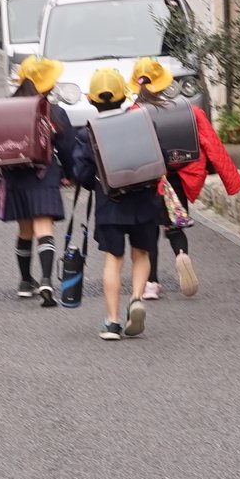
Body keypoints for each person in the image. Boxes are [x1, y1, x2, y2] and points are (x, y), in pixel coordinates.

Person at [127, 56, 240, 301]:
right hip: (177, 179)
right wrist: (231, 180)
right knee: (174, 227)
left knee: (148, 232)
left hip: (148, 183)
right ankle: (182, 255)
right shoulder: (189, 111)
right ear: (164, 83)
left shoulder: (133, 115)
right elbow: (213, 145)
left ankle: (151, 283)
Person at [63, 66, 163, 341]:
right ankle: (136, 299)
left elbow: (81, 174)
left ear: (91, 99)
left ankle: (112, 322)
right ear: (124, 96)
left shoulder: (88, 133)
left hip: (110, 205)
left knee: (113, 259)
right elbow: (161, 157)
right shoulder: (144, 122)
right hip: (144, 201)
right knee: (141, 254)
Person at [0, 54, 68, 307]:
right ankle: (46, 279)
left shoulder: (5, 109)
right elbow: (67, 148)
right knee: (44, 228)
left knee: (25, 230)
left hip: (14, 177)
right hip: (43, 176)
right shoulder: (54, 112)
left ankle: (26, 281)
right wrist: (70, 174)